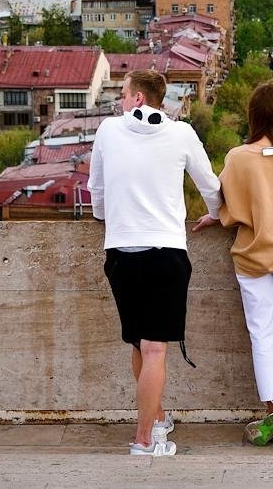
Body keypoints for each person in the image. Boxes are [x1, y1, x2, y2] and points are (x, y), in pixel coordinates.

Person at [89, 70, 222, 457]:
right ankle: (145, 440)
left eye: (124, 94)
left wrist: (107, 218)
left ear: (138, 100)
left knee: (139, 343)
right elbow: (210, 186)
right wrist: (214, 212)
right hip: (166, 253)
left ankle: (157, 418)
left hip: (120, 253)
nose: (120, 101)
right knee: (155, 349)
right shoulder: (180, 134)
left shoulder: (108, 132)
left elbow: (96, 190)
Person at [193, 82, 273, 446]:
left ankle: (272, 412)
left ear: (253, 115)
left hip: (251, 256)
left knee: (261, 332)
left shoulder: (238, 158)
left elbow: (226, 204)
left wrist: (216, 217)